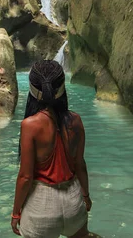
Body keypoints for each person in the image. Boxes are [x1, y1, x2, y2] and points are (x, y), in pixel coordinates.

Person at [11, 60, 97, 238]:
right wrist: (86, 196)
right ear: (62, 88)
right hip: (74, 201)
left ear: (33, 90)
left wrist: (16, 213)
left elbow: (26, 177)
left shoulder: (30, 125)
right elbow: (80, 165)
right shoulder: (76, 120)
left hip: (41, 208)